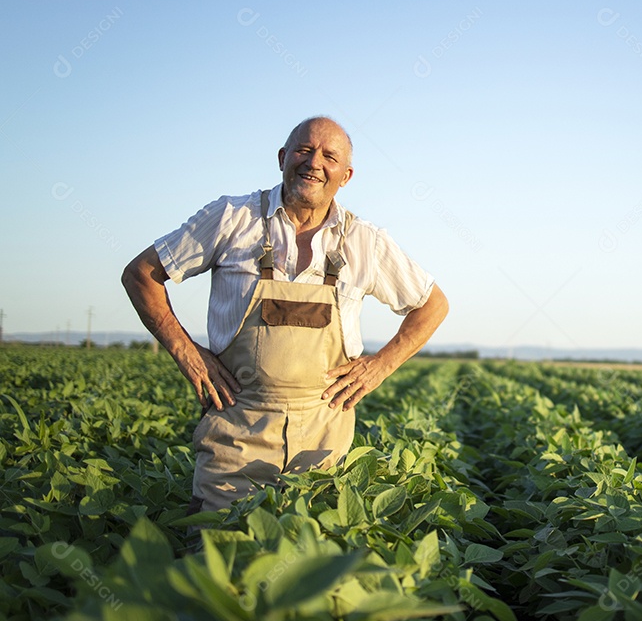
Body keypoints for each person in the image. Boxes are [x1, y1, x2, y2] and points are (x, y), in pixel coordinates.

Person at [121, 116, 448, 513]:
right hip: (235, 446)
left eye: (329, 156)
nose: (314, 162)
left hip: (323, 453)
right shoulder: (231, 218)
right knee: (216, 560)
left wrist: (381, 364)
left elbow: (432, 304)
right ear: (282, 158)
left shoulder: (365, 240)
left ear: (345, 176)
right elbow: (142, 275)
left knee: (312, 565)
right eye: (304, 150)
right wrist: (186, 351)